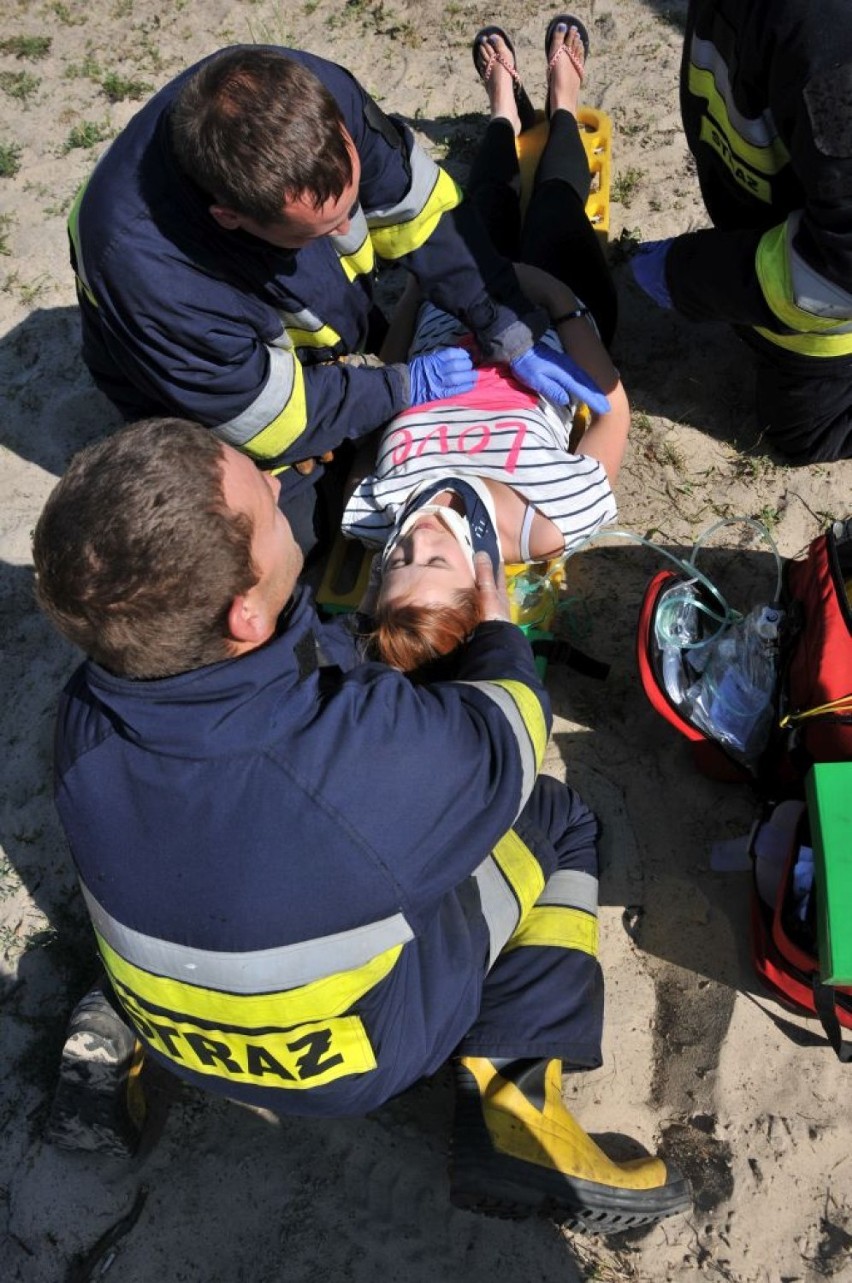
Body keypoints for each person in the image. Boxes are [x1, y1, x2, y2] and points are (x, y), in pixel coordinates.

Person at [33, 414, 690, 1232]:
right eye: (270, 509)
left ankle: (110, 1030)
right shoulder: (366, 766)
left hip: (175, 1025)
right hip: (342, 1062)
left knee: (182, 873)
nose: (280, 486)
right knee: (556, 821)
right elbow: (510, 737)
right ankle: (514, 1099)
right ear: (243, 616)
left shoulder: (84, 718)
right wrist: (492, 632)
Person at [69, 42, 611, 552]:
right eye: (318, 229)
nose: (347, 231)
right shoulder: (151, 276)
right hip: (197, 375)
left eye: (351, 205)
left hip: (365, 322)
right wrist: (397, 385)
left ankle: (512, 114)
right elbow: (266, 414)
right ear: (230, 217)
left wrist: (502, 317)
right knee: (284, 530)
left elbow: (421, 213)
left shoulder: (309, 92)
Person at [342, 18, 629, 670]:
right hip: (558, 313)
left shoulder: (373, 509)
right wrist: (556, 299)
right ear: (485, 582)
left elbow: (383, 393)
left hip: (452, 302)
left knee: (481, 207)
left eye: (397, 560)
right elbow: (612, 408)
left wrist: (420, 292)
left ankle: (503, 107)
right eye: (434, 558)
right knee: (555, 208)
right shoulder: (549, 519)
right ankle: (562, 103)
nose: (414, 537)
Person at [631, 0, 852, 464]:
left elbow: (840, 270)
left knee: (803, 433)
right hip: (772, 242)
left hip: (828, 306)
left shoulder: (838, 57)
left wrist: (689, 276)